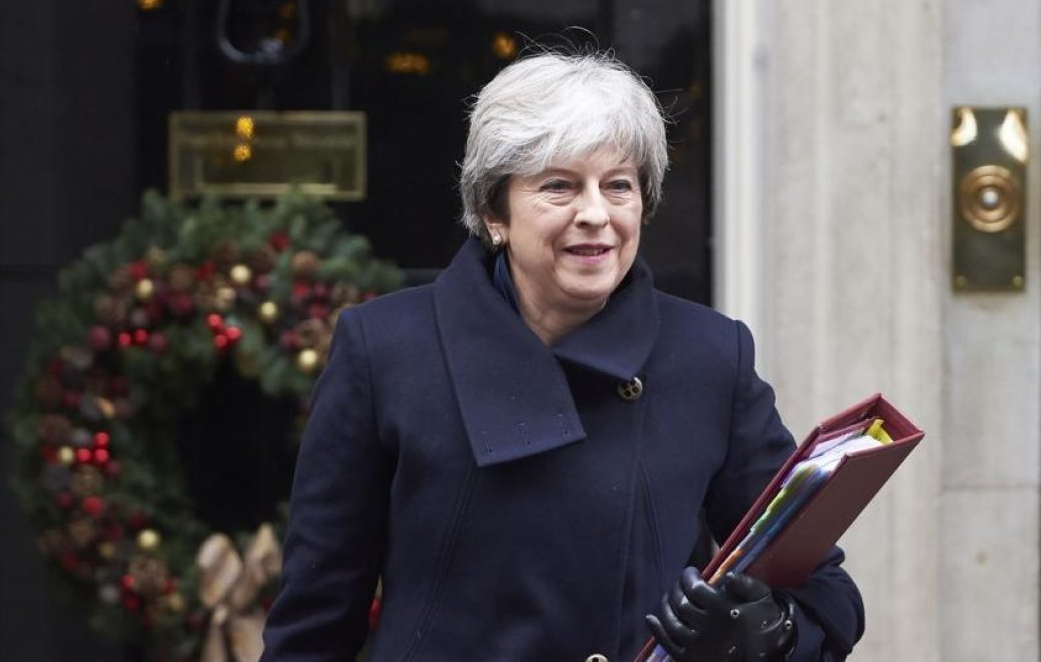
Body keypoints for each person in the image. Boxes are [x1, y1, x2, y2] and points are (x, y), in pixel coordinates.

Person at [259, 51, 864, 661]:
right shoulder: (385, 351)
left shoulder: (710, 355)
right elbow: (315, 622)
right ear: (495, 212)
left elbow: (826, 591)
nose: (596, 214)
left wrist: (766, 630)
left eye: (619, 186)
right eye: (559, 186)